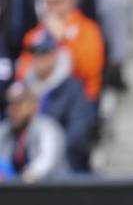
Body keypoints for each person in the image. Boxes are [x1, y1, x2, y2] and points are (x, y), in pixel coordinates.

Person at [16, 0, 104, 102]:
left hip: (78, 99)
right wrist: (38, 69)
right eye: (47, 2)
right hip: (40, 98)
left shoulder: (88, 29)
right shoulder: (35, 34)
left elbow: (89, 70)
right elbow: (22, 69)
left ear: (70, 0)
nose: (51, 7)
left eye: (57, 1)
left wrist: (62, 39)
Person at [24, 29, 95, 171]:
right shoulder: (25, 88)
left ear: (55, 54)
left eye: (44, 53)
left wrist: (51, 155)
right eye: (36, 54)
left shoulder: (73, 89)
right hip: (29, 163)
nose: (39, 59)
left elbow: (78, 132)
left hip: (64, 165)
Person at [0, 81, 68, 182]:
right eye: (10, 103)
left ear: (34, 105)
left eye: (19, 103)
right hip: (16, 192)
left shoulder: (47, 128)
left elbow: (46, 162)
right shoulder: (5, 129)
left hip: (53, 191)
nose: (13, 109)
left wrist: (26, 176)